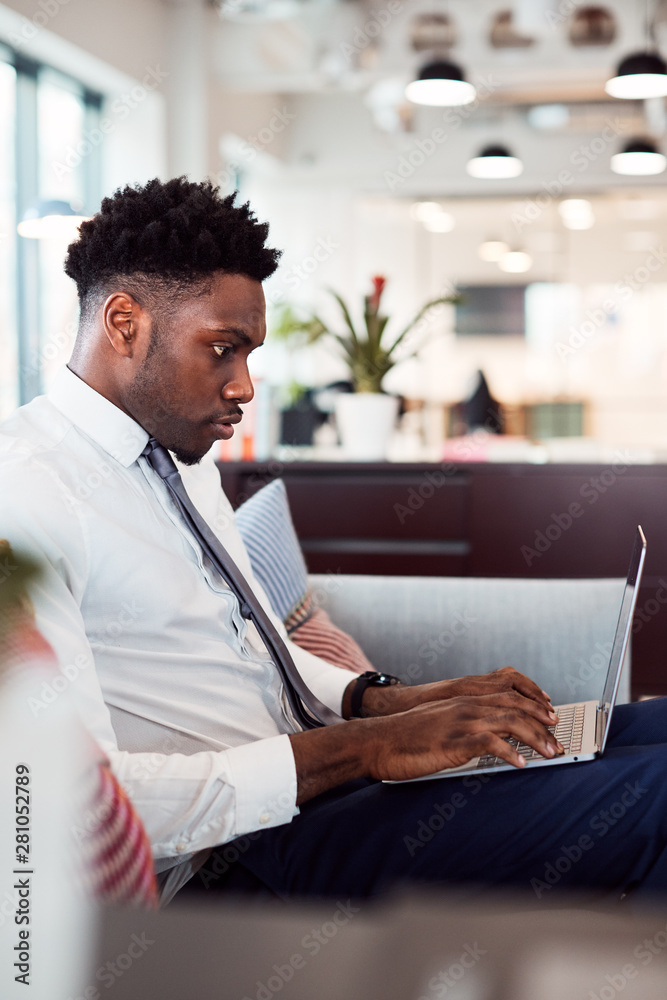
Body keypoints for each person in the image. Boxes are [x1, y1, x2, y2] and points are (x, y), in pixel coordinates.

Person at [1, 177, 666, 907]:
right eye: (222, 350)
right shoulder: (26, 494)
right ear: (124, 323)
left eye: (247, 353)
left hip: (315, 794)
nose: (244, 386)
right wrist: (366, 749)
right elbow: (77, 806)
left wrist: (391, 703)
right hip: (233, 854)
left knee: (642, 727)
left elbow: (259, 662)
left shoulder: (180, 460)